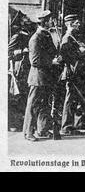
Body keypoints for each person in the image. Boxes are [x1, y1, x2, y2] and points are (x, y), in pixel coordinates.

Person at [22, 10, 57, 142]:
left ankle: (42, 130)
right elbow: (35, 61)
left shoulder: (46, 35)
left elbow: (51, 52)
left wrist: (55, 57)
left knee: (44, 104)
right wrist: (52, 61)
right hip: (37, 78)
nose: (52, 22)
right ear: (45, 22)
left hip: (45, 76)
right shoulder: (35, 38)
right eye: (50, 20)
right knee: (33, 105)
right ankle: (28, 132)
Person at [59, 14, 85, 135]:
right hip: (71, 72)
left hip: (76, 72)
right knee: (70, 99)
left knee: (75, 99)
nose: (79, 25)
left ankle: (73, 125)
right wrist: (80, 52)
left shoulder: (73, 37)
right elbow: (67, 57)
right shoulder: (67, 38)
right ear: (70, 24)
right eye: (76, 23)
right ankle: (66, 127)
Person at [8, 12, 32, 131]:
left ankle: (22, 121)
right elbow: (9, 52)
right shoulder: (17, 35)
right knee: (18, 95)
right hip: (20, 68)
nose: (28, 19)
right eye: (25, 18)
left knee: (25, 94)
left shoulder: (28, 33)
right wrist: (23, 50)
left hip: (27, 67)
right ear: (21, 21)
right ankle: (15, 122)